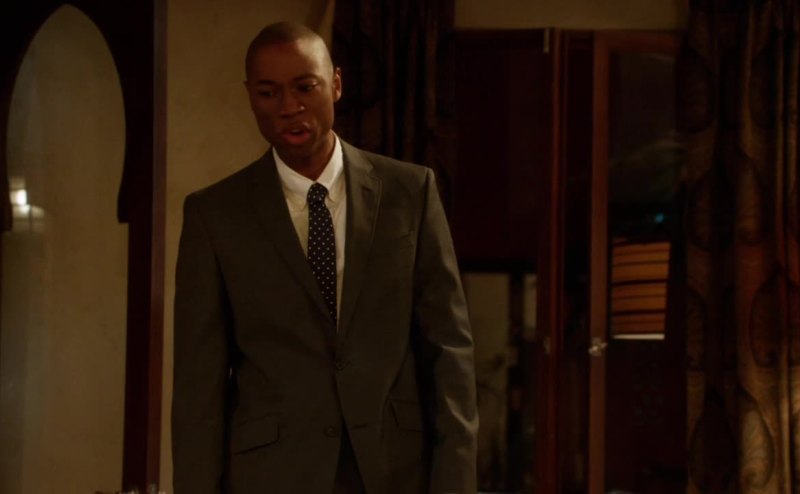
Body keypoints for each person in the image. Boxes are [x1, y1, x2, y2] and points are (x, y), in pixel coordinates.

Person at [171, 21, 478, 494]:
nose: (288, 107)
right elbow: (199, 386)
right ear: (250, 96)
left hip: (394, 468)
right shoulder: (215, 215)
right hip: (271, 475)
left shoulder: (409, 191)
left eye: (304, 87)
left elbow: (448, 350)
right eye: (269, 93)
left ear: (335, 84)